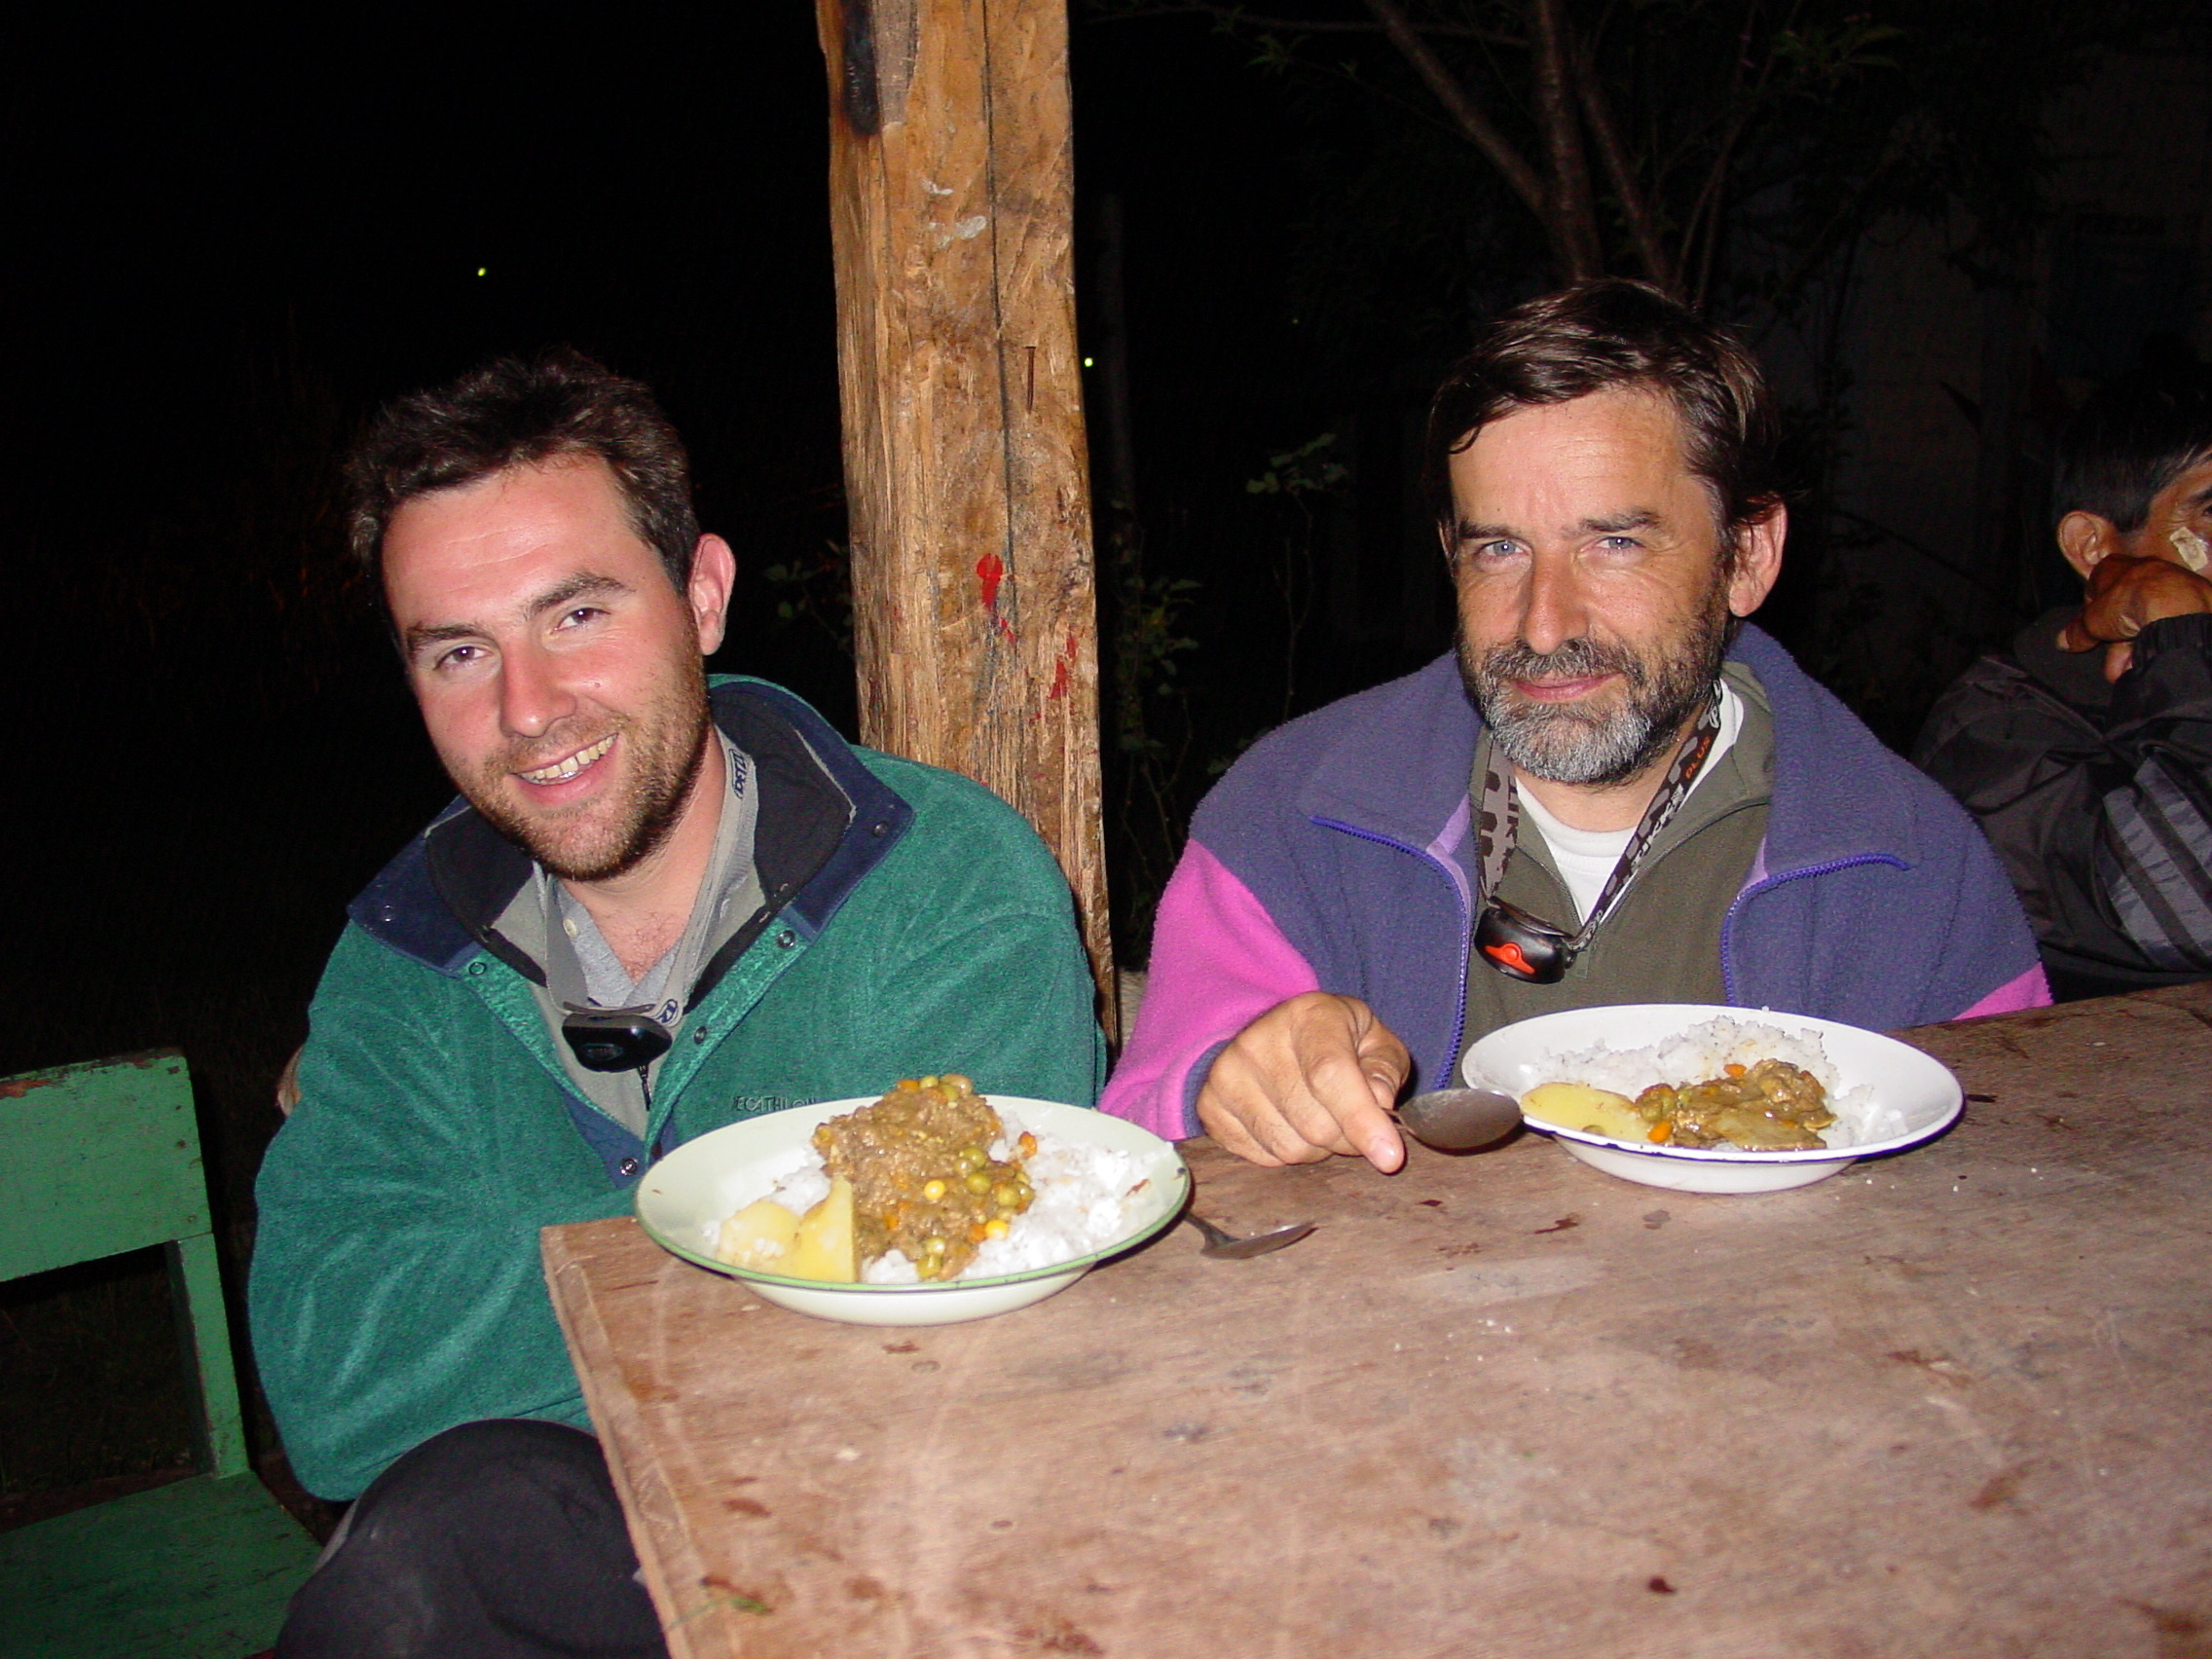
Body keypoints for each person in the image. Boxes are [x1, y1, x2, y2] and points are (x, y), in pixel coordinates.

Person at [250, 350, 1102, 1657]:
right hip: (558, 1561)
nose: (528, 710)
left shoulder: (940, 882)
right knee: (436, 1543)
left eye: (576, 616)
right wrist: (774, 1239)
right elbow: (338, 1391)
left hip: (902, 1544)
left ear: (702, 595)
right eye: (461, 652)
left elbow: (972, 1314)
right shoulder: (401, 958)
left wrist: (527, 1277)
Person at [1100, 280, 2046, 1170]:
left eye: (1614, 543)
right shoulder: (1292, 817)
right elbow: (1135, 1137)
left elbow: (2010, 1168)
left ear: (1747, 556)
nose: (1543, 624)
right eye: (1500, 549)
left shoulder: (1909, 866)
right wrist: (1227, 1084)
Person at [1916, 375, 2212, 1001]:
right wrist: (2183, 636)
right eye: (2210, 513)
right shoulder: (1996, 731)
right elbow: (2189, 911)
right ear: (2094, 547)